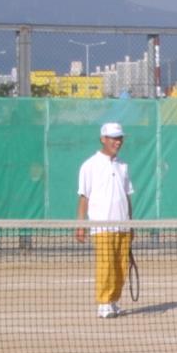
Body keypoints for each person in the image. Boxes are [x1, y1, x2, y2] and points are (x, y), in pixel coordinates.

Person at [75, 122, 134, 319]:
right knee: (105, 266)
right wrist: (81, 226)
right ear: (103, 139)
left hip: (123, 226)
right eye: (114, 138)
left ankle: (113, 301)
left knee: (121, 267)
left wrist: (131, 224)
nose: (118, 142)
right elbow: (84, 197)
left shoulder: (123, 165)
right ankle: (103, 303)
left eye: (120, 138)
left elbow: (127, 196)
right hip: (101, 227)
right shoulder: (89, 165)